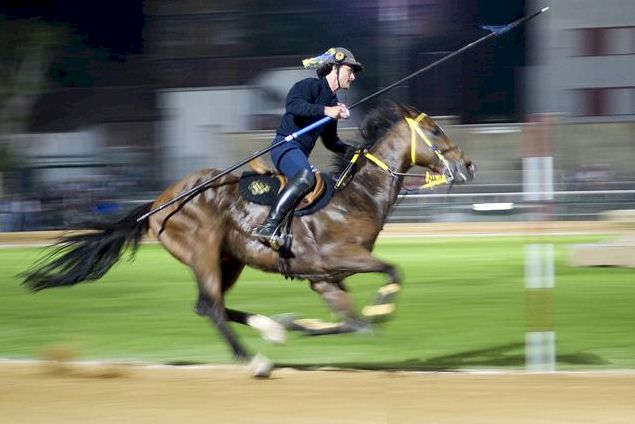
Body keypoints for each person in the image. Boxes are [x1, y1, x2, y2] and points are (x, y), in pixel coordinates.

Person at [251, 47, 363, 249]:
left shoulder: (333, 102)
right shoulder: (309, 86)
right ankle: (268, 226)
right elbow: (294, 106)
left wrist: (355, 151)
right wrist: (327, 111)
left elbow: (330, 141)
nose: (353, 77)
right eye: (350, 70)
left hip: (299, 152)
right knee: (305, 176)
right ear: (334, 68)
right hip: (284, 146)